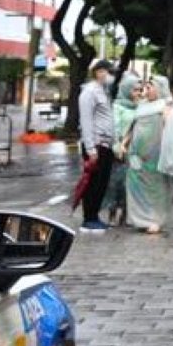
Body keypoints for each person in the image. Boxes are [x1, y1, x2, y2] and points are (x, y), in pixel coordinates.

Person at [117, 73, 173, 234]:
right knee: (135, 185)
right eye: (146, 87)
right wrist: (124, 143)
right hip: (136, 155)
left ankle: (155, 220)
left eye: (150, 87)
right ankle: (139, 219)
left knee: (157, 188)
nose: (146, 90)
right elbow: (133, 126)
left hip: (156, 156)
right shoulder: (143, 104)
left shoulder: (167, 105)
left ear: (159, 88)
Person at [73, 59, 116, 233]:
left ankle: (95, 216)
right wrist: (90, 148)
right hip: (96, 144)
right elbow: (86, 121)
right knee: (93, 184)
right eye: (109, 71)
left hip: (105, 144)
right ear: (99, 72)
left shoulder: (103, 91)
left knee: (102, 183)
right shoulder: (89, 92)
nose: (111, 75)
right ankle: (88, 219)